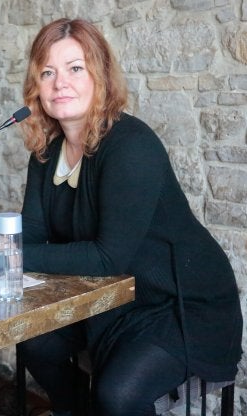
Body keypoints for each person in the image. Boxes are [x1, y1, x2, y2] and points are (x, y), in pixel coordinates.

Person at [17, 18, 242, 416]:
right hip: (106, 295)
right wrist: (3, 250)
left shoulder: (131, 144)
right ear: (37, 85)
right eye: (47, 72)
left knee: (119, 395)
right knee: (33, 339)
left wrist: (7, 254)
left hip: (176, 301)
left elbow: (108, 257)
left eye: (75, 68)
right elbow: (31, 236)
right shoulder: (46, 152)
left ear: (100, 76)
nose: (59, 83)